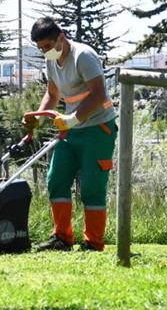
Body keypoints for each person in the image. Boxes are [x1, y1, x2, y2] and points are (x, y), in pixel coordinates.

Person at [23, 18, 118, 252]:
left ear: (61, 38)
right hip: (70, 131)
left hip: (98, 129)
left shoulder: (83, 56)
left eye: (48, 46)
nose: (45, 52)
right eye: (41, 49)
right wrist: (39, 114)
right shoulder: (52, 60)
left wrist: (73, 119)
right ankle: (62, 239)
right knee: (56, 180)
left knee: (92, 187)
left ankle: (93, 243)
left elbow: (98, 94)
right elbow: (52, 94)